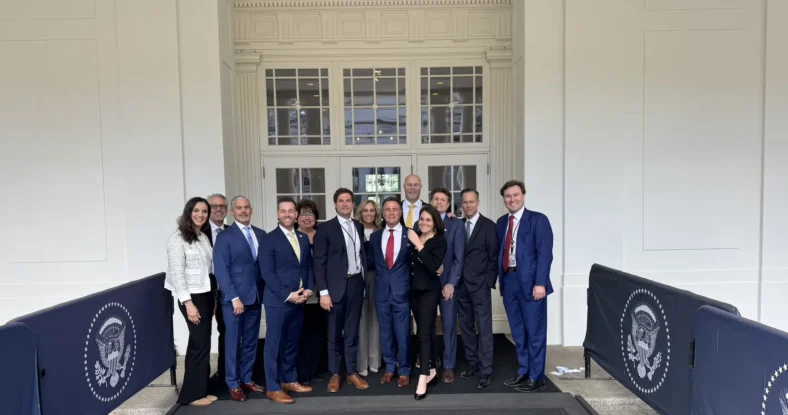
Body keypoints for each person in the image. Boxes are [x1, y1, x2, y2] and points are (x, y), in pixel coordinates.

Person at [496, 180, 553, 392]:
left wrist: (540, 283)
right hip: (509, 281)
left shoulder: (538, 220)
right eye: (508, 196)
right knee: (518, 332)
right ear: (504, 200)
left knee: (535, 332)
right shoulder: (502, 222)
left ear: (523, 196)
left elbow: (545, 254)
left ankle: (537, 377)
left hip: (532, 284)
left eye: (516, 195)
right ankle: (524, 371)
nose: (512, 199)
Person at [313, 188, 370, 393]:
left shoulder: (358, 226)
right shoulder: (325, 228)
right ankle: (335, 373)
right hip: (335, 288)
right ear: (335, 204)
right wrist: (324, 292)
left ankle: (352, 372)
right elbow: (319, 263)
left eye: (348, 201)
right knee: (335, 333)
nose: (345, 204)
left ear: (353, 204)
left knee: (353, 331)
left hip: (356, 284)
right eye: (341, 201)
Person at [260, 197, 315, 404]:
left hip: (299, 300)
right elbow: (268, 273)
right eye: (283, 211)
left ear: (296, 215)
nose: (287, 214)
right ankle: (273, 387)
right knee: (274, 345)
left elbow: (307, 266)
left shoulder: (302, 237)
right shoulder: (269, 239)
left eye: (291, 211)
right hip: (278, 301)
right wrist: (287, 295)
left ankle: (289, 379)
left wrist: (308, 288)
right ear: (277, 214)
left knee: (291, 343)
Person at [213, 196, 267, 402]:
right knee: (233, 343)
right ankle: (233, 383)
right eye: (239, 208)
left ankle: (246, 378)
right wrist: (233, 297)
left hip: (255, 297)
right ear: (232, 212)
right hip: (234, 300)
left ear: (251, 210)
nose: (243, 211)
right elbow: (221, 270)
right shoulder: (225, 237)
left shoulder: (261, 234)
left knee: (251, 341)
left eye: (246, 207)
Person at [165, 197, 217, 407]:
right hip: (191, 297)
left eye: (204, 211)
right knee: (198, 343)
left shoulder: (202, 237)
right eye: (196, 210)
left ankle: (200, 390)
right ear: (188, 212)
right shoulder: (177, 239)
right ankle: (191, 395)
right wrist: (188, 303)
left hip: (205, 294)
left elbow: (209, 269)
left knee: (202, 342)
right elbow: (177, 274)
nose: (200, 215)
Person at [419, 187, 465, 383]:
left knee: (448, 326)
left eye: (443, 200)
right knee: (427, 325)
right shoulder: (422, 223)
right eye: (436, 199)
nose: (439, 202)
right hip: (427, 284)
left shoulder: (456, 224)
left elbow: (458, 257)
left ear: (448, 204)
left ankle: (448, 366)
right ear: (431, 201)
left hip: (447, 285)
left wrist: (451, 283)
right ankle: (432, 361)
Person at [366, 197, 411, 388]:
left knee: (403, 333)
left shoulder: (410, 234)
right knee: (385, 333)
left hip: (402, 291)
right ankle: (390, 367)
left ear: (400, 212)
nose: (391, 213)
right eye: (387, 210)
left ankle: (404, 370)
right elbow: (370, 262)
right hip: (382, 291)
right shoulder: (375, 237)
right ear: (382, 213)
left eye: (395, 209)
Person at [457, 189, 498, 389]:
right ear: (462, 204)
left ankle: (486, 370)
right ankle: (473, 363)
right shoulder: (458, 225)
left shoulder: (489, 226)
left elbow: (494, 257)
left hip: (479, 286)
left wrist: (487, 281)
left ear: (478, 203)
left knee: (484, 328)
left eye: (471, 202)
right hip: (460, 285)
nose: (468, 205)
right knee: (465, 327)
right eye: (465, 202)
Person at [409, 205, 447, 400]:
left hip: (430, 292)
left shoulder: (440, 240)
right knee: (426, 330)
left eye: (428, 220)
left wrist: (418, 244)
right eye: (422, 219)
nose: (424, 223)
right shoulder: (415, 235)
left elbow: (433, 266)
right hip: (413, 291)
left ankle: (422, 377)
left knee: (423, 334)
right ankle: (432, 369)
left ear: (435, 223)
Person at [294, 199, 328, 386]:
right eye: (303, 214)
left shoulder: (322, 235)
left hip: (320, 294)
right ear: (296, 217)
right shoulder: (292, 236)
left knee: (318, 334)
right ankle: (300, 372)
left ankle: (314, 370)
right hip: (299, 294)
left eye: (311, 214)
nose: (307, 218)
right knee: (300, 335)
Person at [202, 193, 228, 385]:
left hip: (227, 292)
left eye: (222, 206)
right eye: (214, 206)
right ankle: (201, 381)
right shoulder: (199, 232)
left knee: (227, 332)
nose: (219, 209)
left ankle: (224, 374)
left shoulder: (232, 231)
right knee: (203, 336)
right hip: (204, 292)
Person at [356, 199, 382, 376]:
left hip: (377, 277)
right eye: (365, 210)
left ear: (376, 213)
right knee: (361, 318)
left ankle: (375, 360)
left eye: (372, 210)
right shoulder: (354, 230)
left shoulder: (381, 231)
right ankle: (362, 362)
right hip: (358, 277)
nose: (369, 213)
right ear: (360, 212)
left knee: (375, 318)